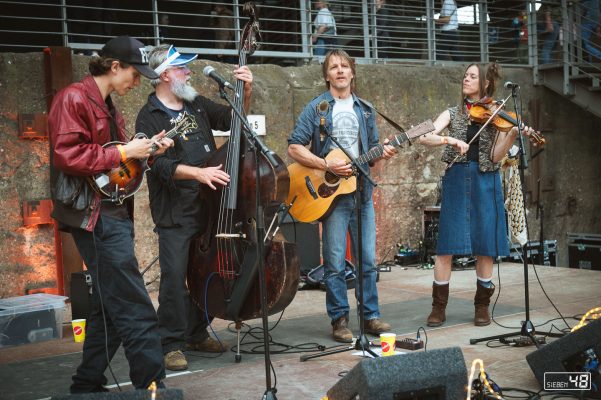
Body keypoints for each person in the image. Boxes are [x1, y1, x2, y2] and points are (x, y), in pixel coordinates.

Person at [48, 36, 173, 393]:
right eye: (135, 74)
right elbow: (67, 156)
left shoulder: (108, 105)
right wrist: (123, 153)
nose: (137, 82)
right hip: (95, 215)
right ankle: (152, 386)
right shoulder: (72, 98)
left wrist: (149, 151)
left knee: (109, 304)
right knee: (135, 303)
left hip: (109, 211)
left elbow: (119, 162)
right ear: (114, 66)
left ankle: (86, 383)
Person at [135, 44, 254, 371]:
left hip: (209, 206)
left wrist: (246, 89)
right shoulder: (149, 115)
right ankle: (170, 342)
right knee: (174, 278)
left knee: (206, 272)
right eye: (182, 68)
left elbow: (235, 120)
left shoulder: (196, 104)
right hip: (175, 211)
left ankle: (197, 331)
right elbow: (156, 166)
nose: (189, 72)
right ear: (164, 75)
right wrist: (198, 172)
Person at [287, 49, 395, 343]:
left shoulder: (366, 109)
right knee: (334, 261)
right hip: (331, 195)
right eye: (334, 67)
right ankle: (339, 320)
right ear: (327, 75)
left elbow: (372, 151)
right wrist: (326, 164)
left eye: (344, 66)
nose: (340, 71)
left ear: (352, 72)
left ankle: (370, 316)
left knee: (368, 260)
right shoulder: (317, 109)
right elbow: (294, 147)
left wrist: (384, 151)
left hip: (361, 191)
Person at [418, 62, 534, 328]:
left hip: (486, 180)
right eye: (465, 75)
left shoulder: (496, 115)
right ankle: (439, 307)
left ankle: (482, 306)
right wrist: (449, 140)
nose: (466, 79)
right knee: (445, 246)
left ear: (485, 84)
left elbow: (494, 156)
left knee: (485, 245)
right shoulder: (451, 112)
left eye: (473, 76)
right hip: (457, 179)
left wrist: (513, 134)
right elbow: (426, 136)